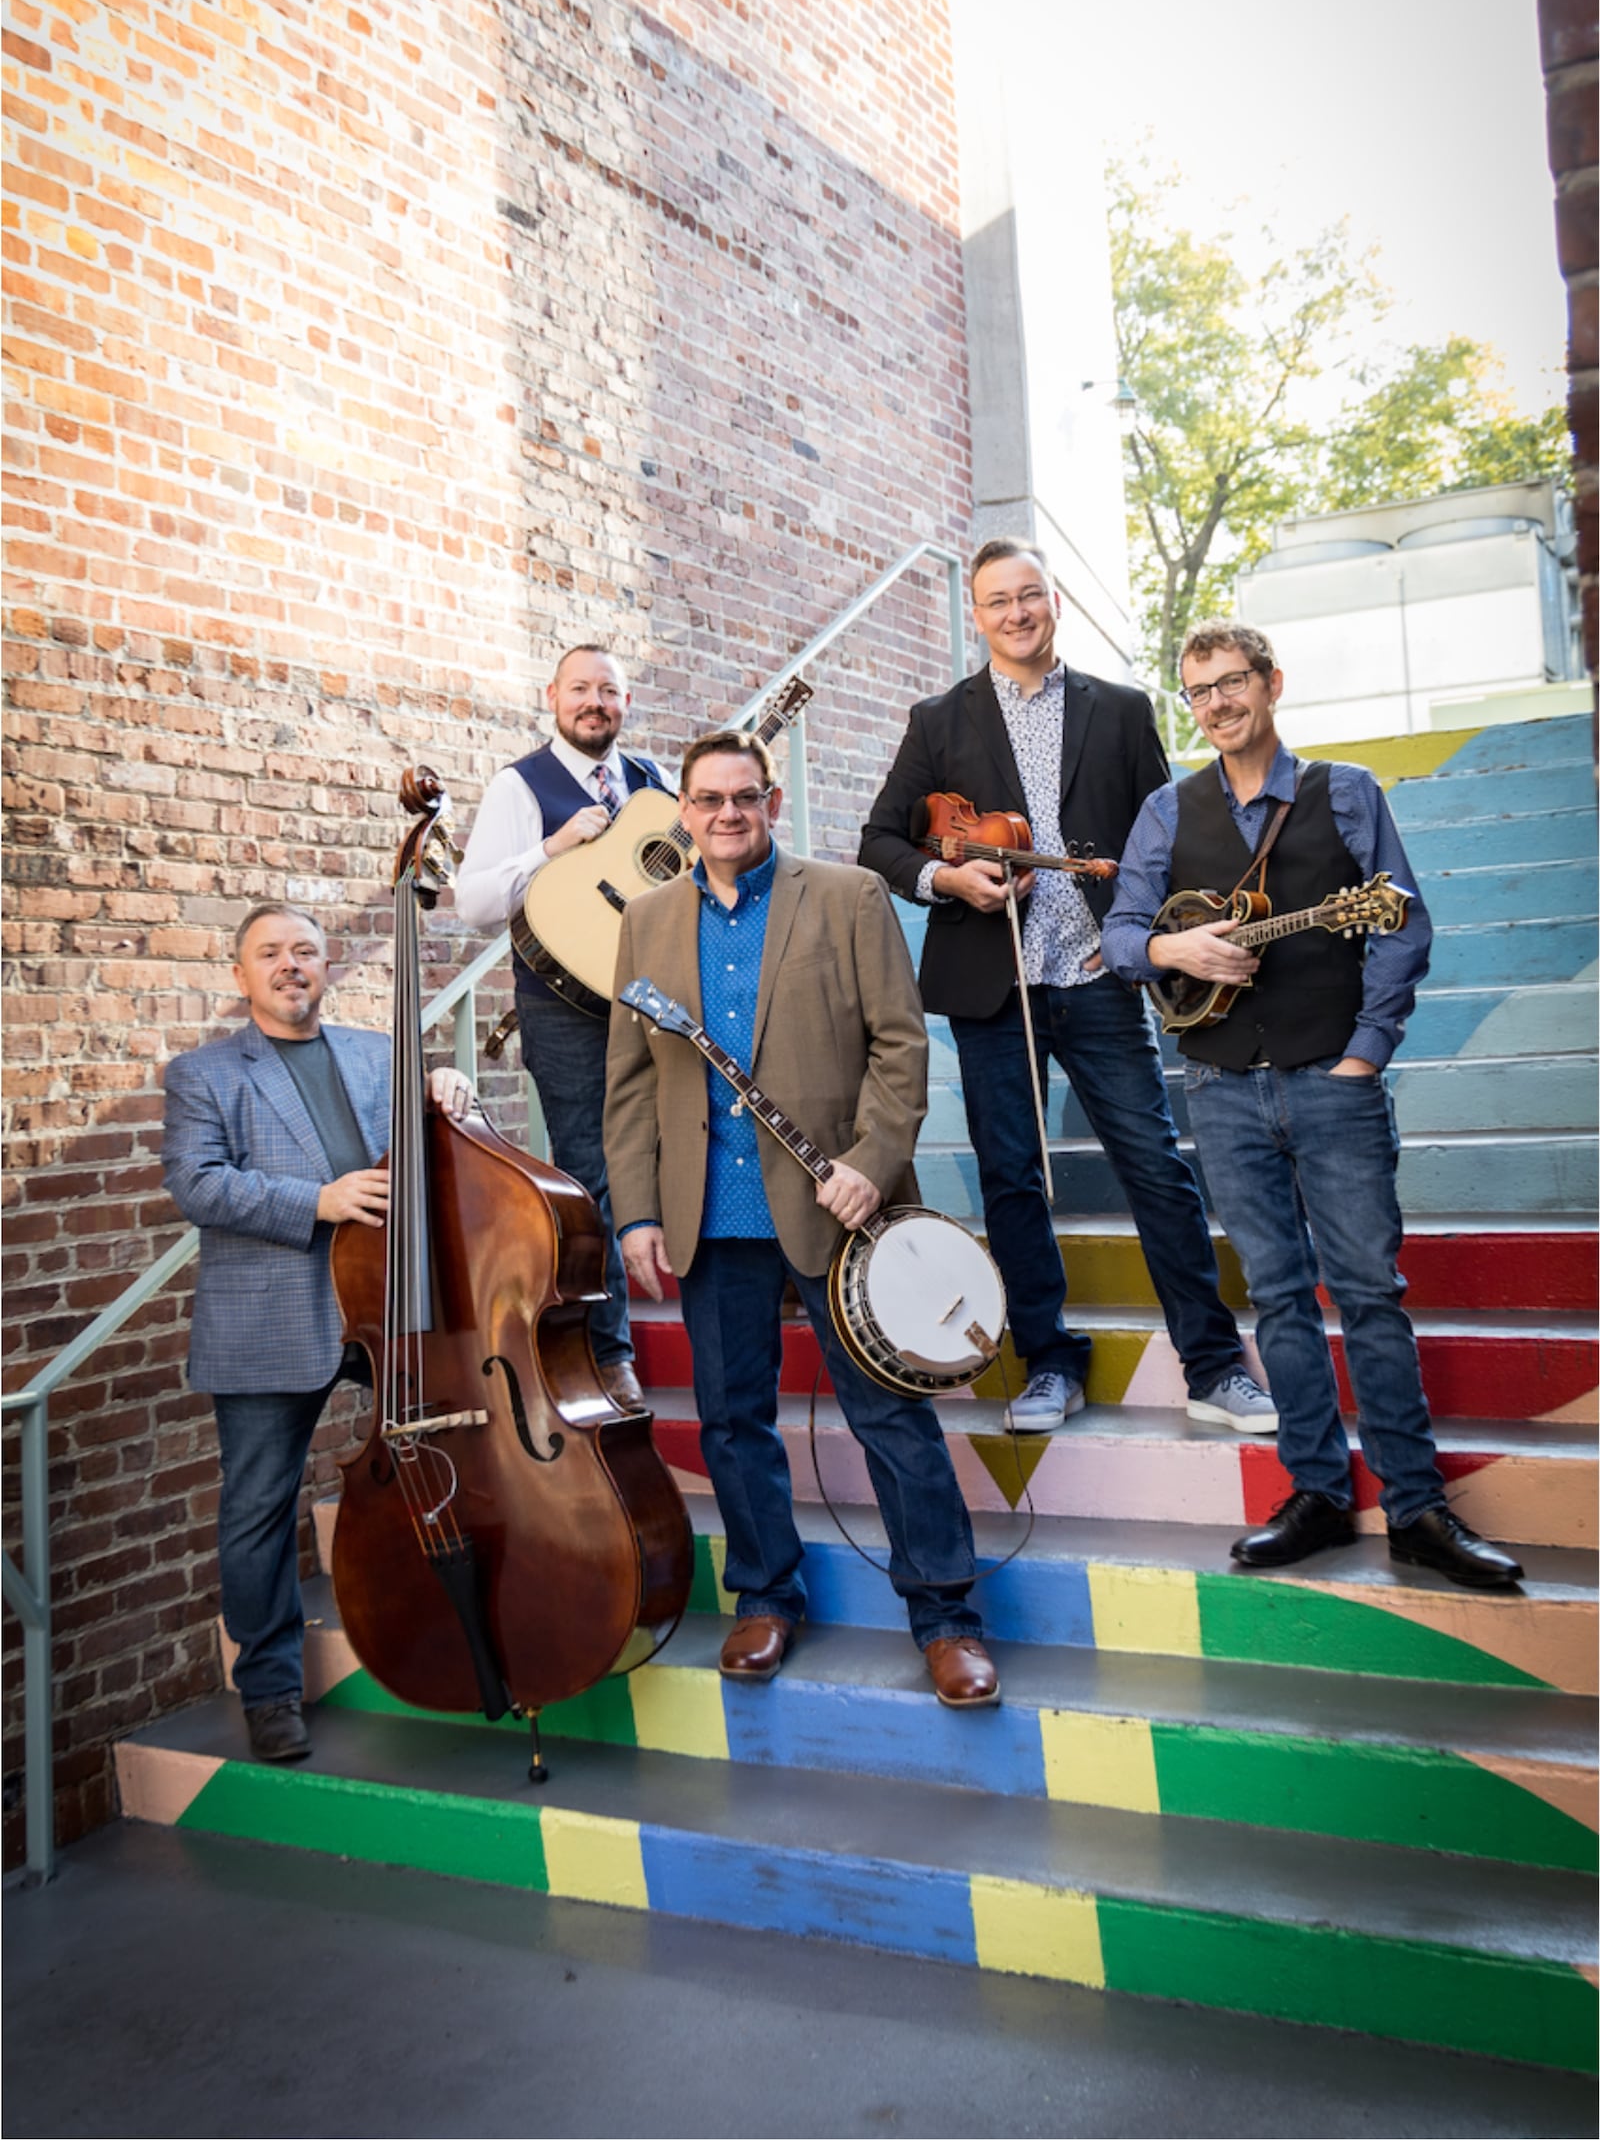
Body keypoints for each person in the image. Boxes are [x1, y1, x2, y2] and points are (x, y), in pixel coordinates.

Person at [1100, 621, 1522, 1588]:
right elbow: (1121, 934)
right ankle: (1318, 1494)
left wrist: (1365, 1056)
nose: (1216, 703)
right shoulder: (1168, 810)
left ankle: (1417, 1508)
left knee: (1369, 1296)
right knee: (1281, 1299)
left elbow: (1402, 927)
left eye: (1232, 682)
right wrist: (1177, 951)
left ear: (1272, 683)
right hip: (1219, 1086)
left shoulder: (1347, 791)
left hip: (1333, 1081)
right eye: (1198, 689)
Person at [605, 731, 1001, 1706]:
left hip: (837, 1207)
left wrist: (872, 1161)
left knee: (888, 1414)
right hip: (711, 1213)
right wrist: (638, 1213)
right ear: (684, 812)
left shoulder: (848, 897)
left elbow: (899, 1046)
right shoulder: (647, 921)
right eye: (707, 800)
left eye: (744, 798)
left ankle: (946, 1615)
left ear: (771, 802)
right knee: (734, 1420)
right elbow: (627, 1087)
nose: (727, 814)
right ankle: (766, 1595)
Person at [859, 541, 1272, 1437]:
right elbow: (881, 842)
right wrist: (949, 882)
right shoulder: (938, 720)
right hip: (991, 983)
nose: (1016, 613)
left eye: (1030, 596)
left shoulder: (1120, 711)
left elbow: (1171, 839)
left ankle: (1212, 1365)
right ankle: (1049, 1360)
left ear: (1055, 603)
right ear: (976, 615)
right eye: (997, 601)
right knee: (1012, 1178)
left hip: (1095, 974)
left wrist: (1149, 933)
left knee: (1156, 1169)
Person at [162, 905, 474, 1764]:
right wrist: (318, 1201)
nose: (289, 964)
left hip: (388, 1302)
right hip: (271, 1315)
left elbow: (431, 1145)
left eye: (305, 949)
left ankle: (471, 1621)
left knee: (464, 1453)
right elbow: (196, 1184)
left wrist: (444, 1086)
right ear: (241, 973)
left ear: (328, 965)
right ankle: (269, 1690)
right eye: (269, 952)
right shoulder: (205, 1073)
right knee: (259, 1506)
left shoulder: (379, 1053)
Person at [456, 644, 671, 1414]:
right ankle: (612, 1352)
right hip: (561, 1006)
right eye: (581, 688)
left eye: (609, 691)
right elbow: (473, 899)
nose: (595, 702)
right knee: (592, 1167)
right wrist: (552, 848)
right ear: (552, 695)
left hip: (650, 998)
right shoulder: (520, 785)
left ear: (625, 703)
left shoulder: (650, 786)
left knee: (689, 1138)